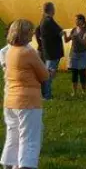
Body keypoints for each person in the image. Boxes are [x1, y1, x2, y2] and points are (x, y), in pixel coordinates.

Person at [1, 19, 50, 169]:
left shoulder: (8, 51)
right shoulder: (29, 52)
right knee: (29, 140)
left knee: (13, 137)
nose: (32, 35)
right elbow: (44, 75)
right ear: (23, 33)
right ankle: (25, 166)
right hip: (28, 102)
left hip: (10, 100)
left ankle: (9, 165)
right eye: (30, 32)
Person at [37, 2, 65, 100]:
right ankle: (46, 96)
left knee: (47, 73)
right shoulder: (48, 20)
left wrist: (40, 45)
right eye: (54, 8)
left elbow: (37, 32)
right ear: (51, 9)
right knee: (48, 74)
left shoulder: (43, 20)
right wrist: (63, 32)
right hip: (52, 52)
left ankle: (45, 94)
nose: (55, 10)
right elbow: (60, 32)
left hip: (48, 51)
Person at [64, 14, 86, 96]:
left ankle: (84, 92)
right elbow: (66, 40)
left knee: (82, 72)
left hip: (82, 54)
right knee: (74, 73)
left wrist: (77, 37)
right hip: (74, 53)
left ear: (82, 20)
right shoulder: (73, 30)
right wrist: (64, 34)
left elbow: (84, 42)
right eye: (75, 20)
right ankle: (74, 92)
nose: (75, 21)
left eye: (77, 20)